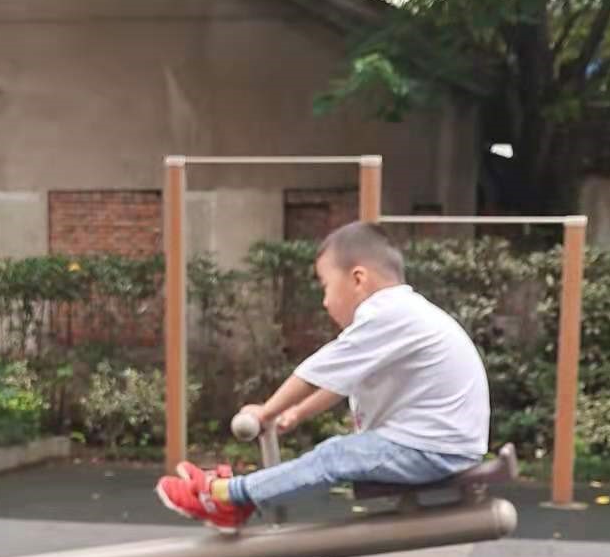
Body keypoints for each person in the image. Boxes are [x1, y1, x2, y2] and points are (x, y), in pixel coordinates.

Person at [156, 221, 490, 531]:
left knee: (335, 455)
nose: (325, 302)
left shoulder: (387, 313)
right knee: (340, 453)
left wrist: (266, 411)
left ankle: (227, 496)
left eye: (326, 286)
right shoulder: (403, 313)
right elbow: (340, 382)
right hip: (440, 444)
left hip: (434, 448)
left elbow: (316, 372)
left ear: (358, 279)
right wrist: (299, 413)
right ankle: (235, 497)